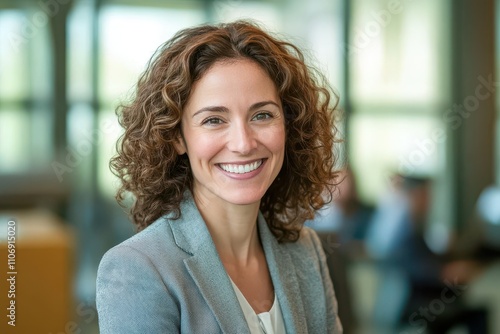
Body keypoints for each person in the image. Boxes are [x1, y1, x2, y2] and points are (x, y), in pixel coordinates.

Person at [96, 20, 343, 334]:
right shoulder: (137, 269)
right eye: (214, 120)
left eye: (262, 115)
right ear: (177, 137)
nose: (243, 143)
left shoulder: (305, 251)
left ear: (289, 124)